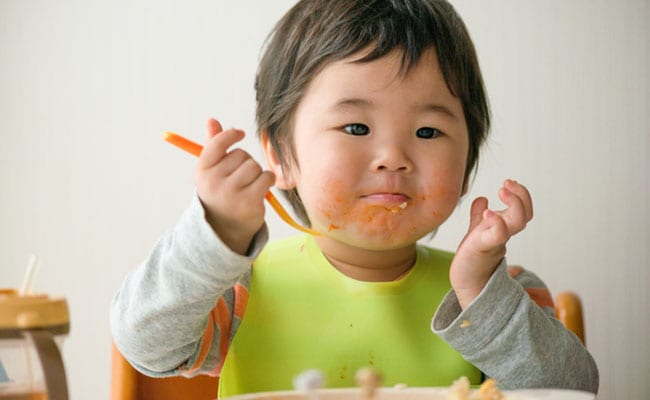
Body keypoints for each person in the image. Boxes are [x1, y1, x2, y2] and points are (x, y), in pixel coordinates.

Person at [110, 0, 599, 397]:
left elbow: (573, 391)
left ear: (468, 162)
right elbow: (145, 345)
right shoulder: (237, 293)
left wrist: (478, 292)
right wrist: (217, 234)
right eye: (356, 127)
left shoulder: (500, 291)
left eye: (428, 130)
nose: (393, 157)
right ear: (279, 154)